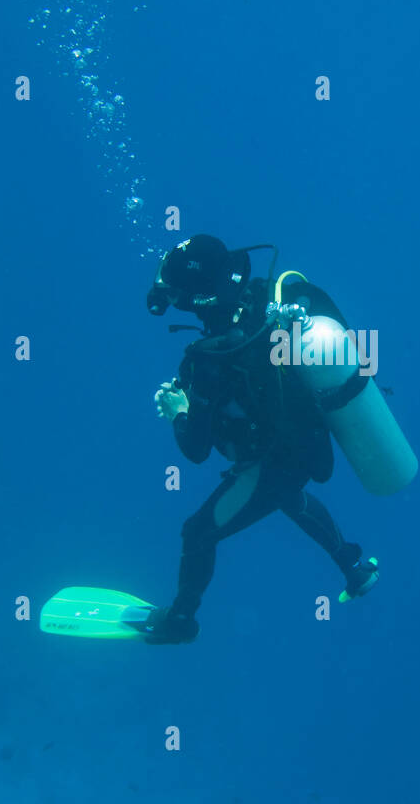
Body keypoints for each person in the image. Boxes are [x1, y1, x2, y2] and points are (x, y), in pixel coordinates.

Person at [137, 234, 379, 644]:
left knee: (197, 533)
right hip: (308, 446)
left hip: (275, 461)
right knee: (285, 496)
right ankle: (354, 565)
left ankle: (180, 621)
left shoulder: (208, 358)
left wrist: (179, 410)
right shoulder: (267, 303)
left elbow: (195, 451)